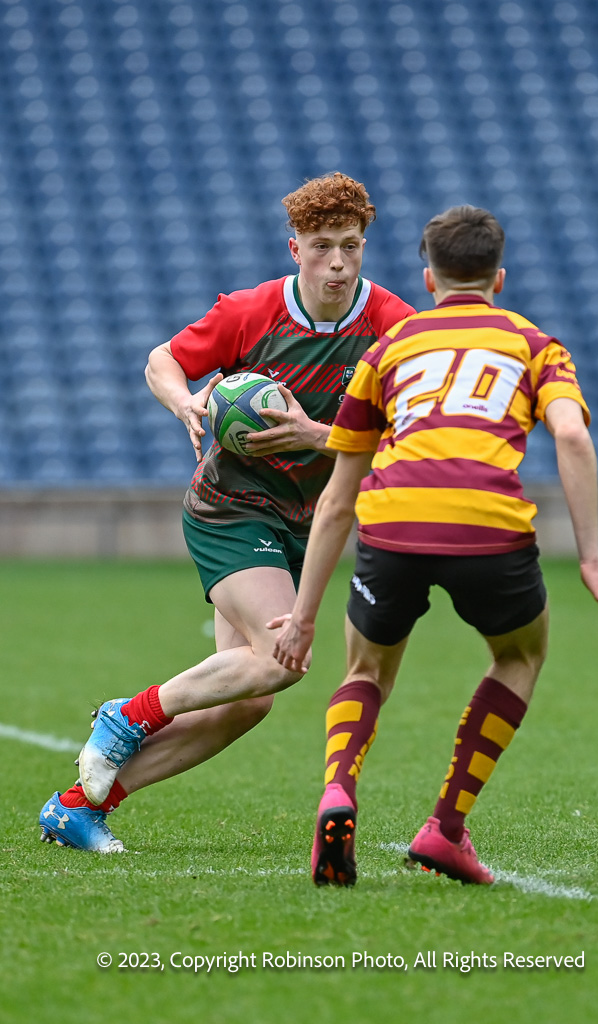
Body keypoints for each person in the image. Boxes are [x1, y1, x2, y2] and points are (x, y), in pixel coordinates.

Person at [39, 172, 415, 853]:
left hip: (306, 524)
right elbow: (162, 361)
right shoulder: (251, 312)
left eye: (351, 246)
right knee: (282, 659)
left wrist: (315, 435)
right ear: (295, 247)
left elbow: (412, 434)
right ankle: (128, 716)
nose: (337, 262)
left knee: (246, 701)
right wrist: (184, 403)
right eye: (322, 247)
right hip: (231, 510)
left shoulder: (393, 327)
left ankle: (75, 808)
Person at [269, 204, 598, 887]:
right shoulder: (535, 345)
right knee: (519, 656)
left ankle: (338, 791)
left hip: (393, 523)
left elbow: (338, 498)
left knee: (365, 669)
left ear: (428, 280)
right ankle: (446, 828)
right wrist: (590, 560)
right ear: (499, 278)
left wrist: (304, 616)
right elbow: (572, 436)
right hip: (487, 526)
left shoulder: (388, 350)